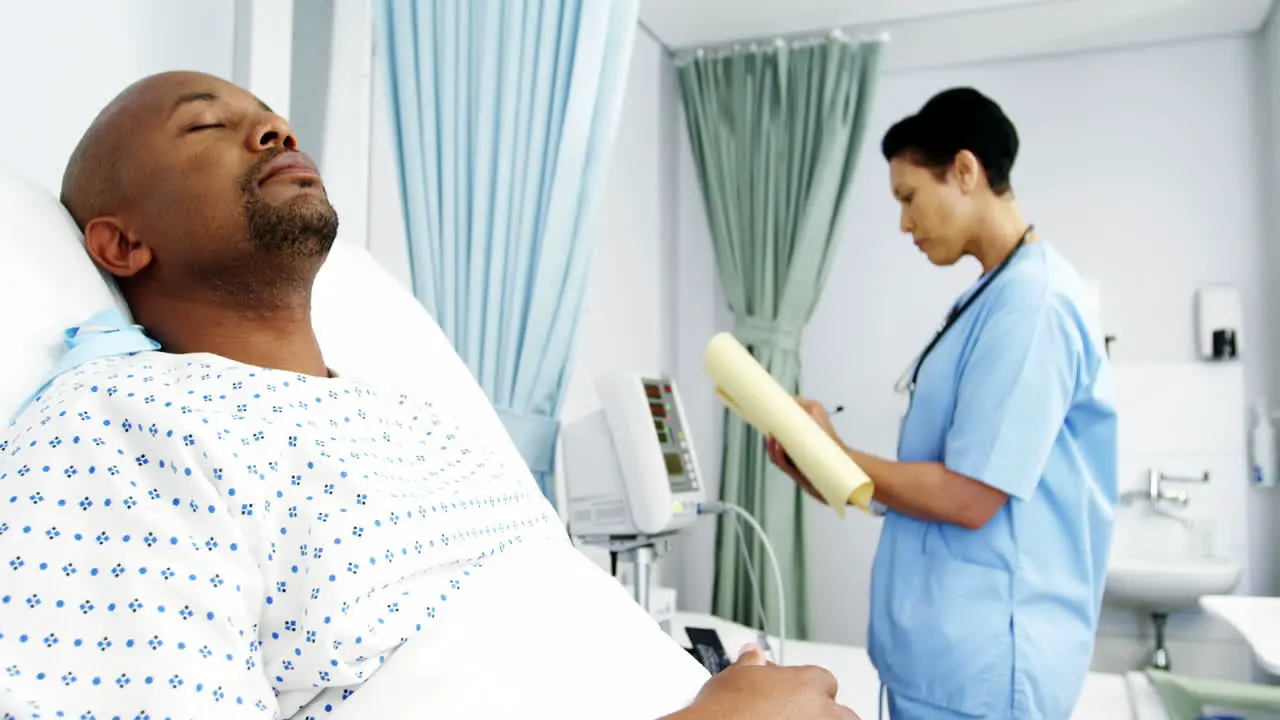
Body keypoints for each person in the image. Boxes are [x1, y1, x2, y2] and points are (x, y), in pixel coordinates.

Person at [0, 71, 858, 720]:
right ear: (120, 244)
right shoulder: (118, 424)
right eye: (208, 124)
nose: (272, 128)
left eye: (272, 118)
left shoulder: (413, 413)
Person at [766, 87, 1118, 719]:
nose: (905, 223)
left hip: (986, 670)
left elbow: (969, 497)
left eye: (908, 198)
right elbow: (929, 484)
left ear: (964, 170)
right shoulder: (986, 300)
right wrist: (824, 468)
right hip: (943, 658)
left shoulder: (1032, 305)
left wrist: (837, 451)